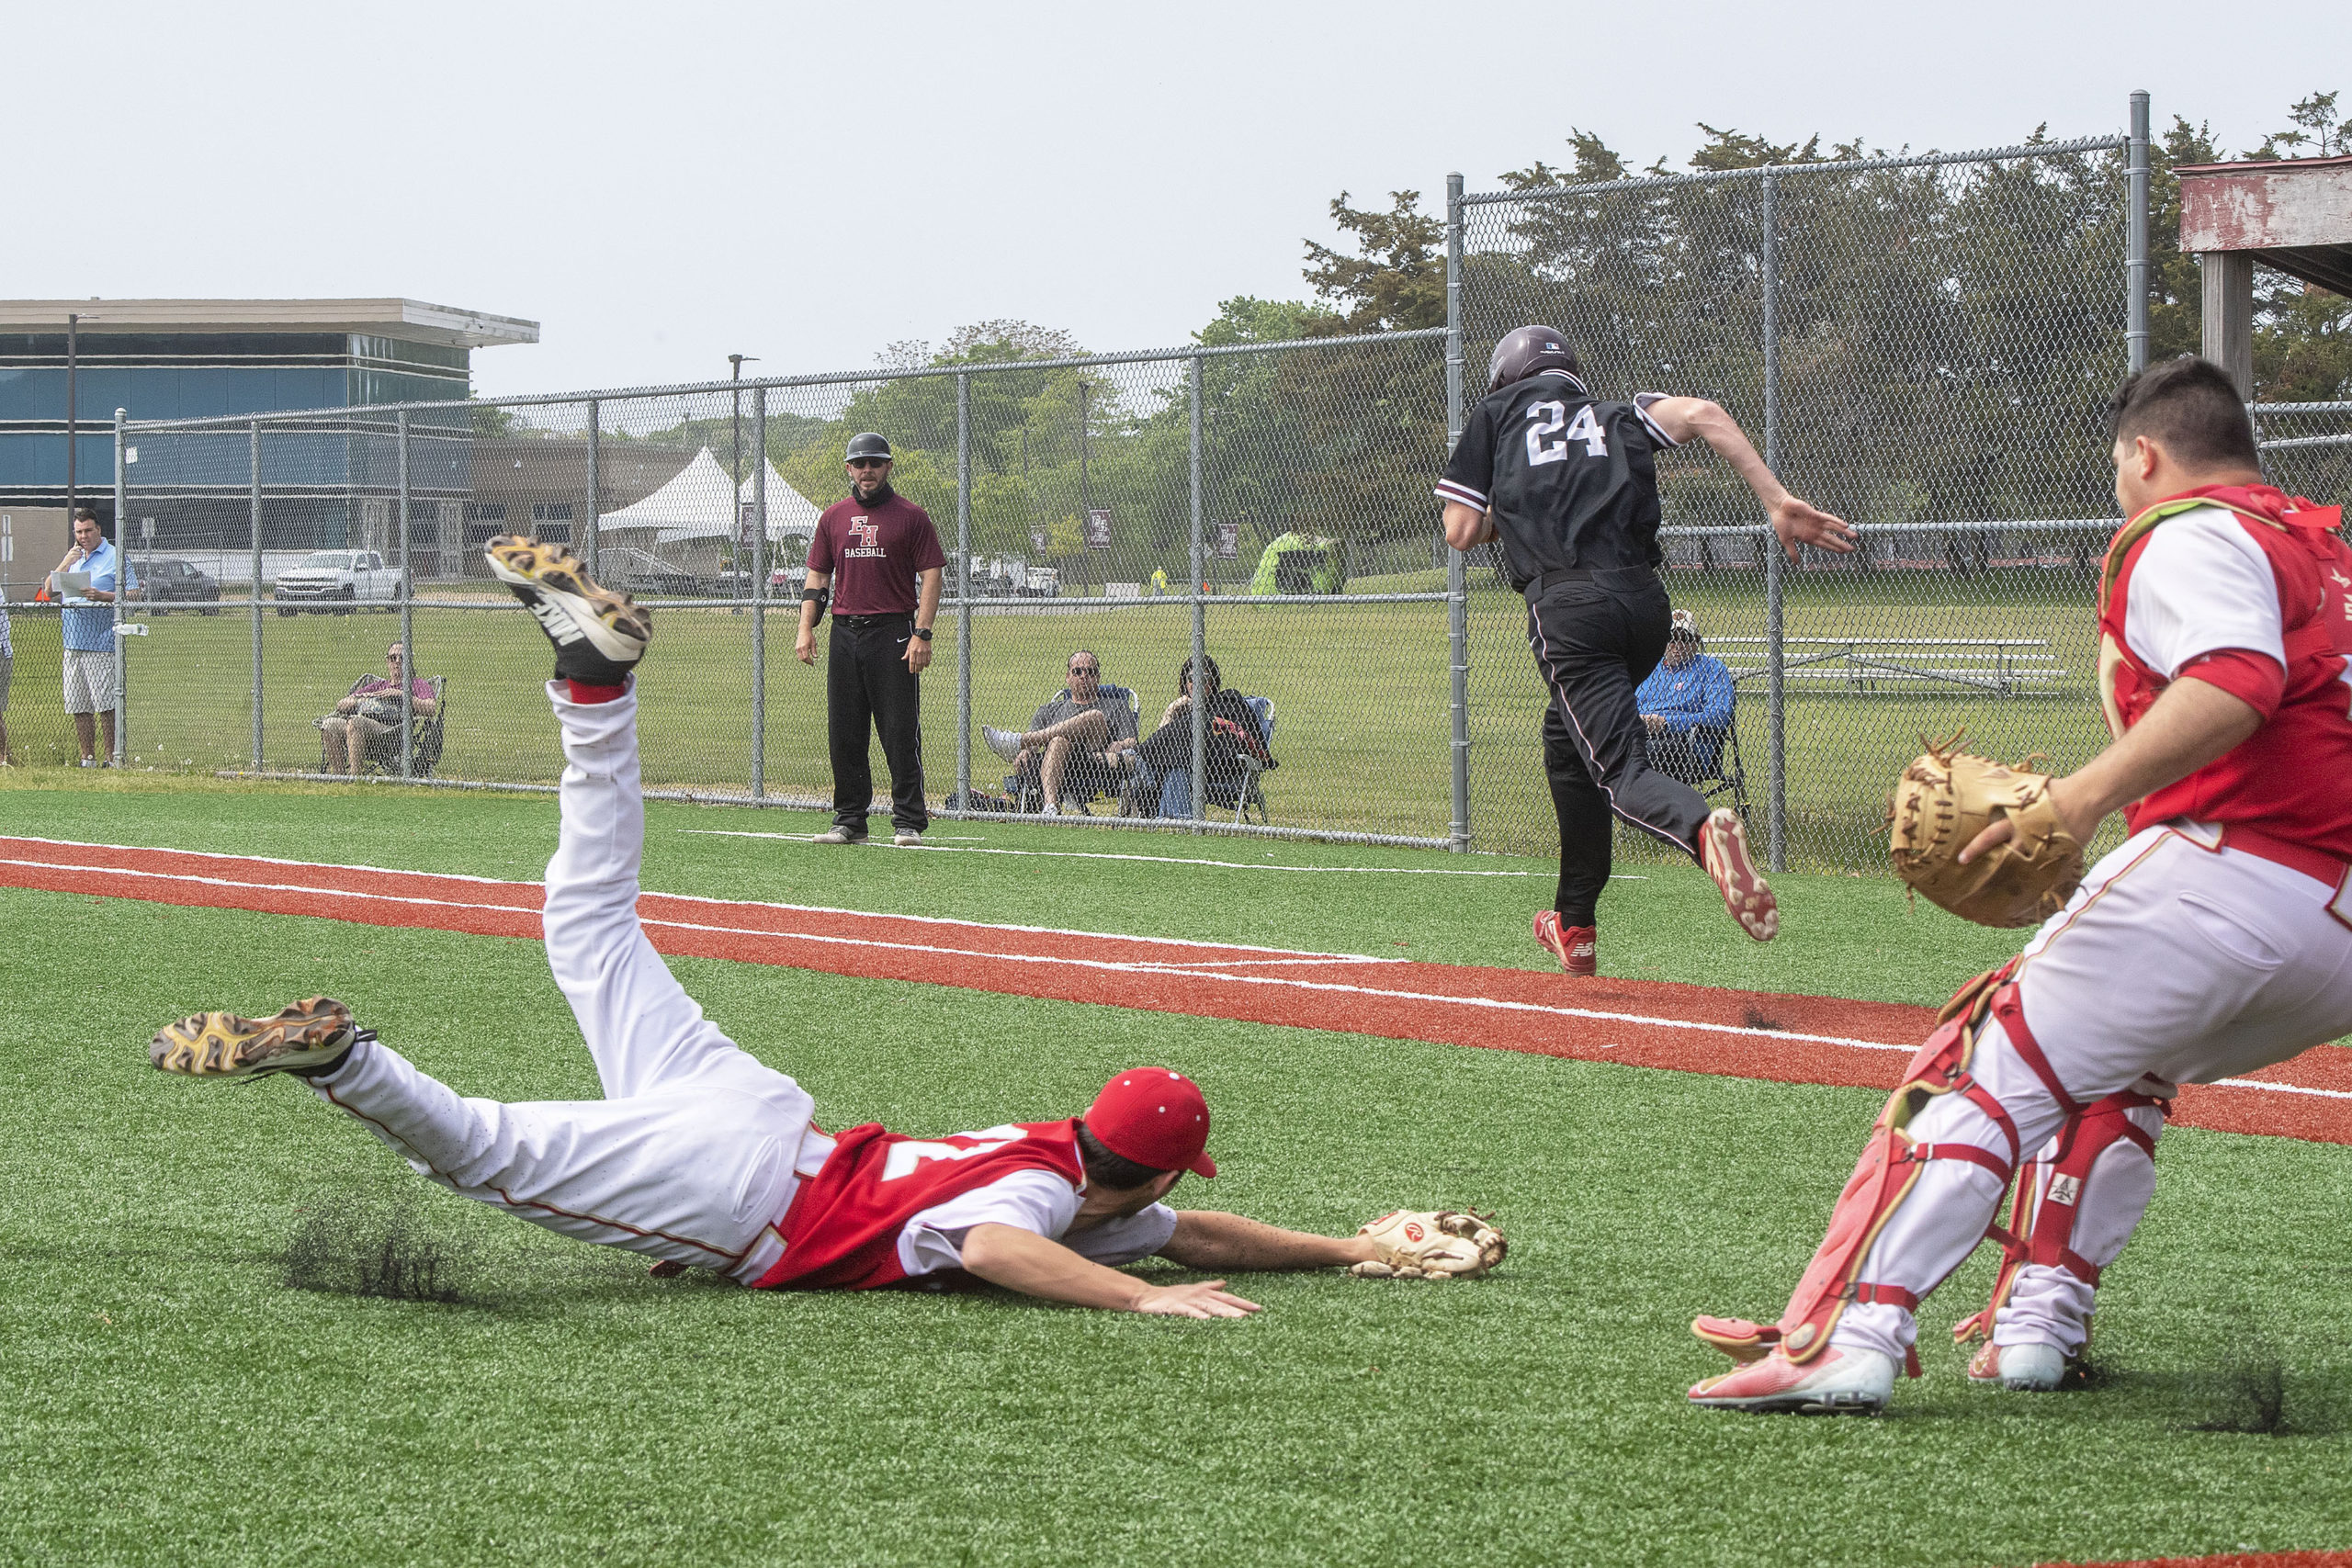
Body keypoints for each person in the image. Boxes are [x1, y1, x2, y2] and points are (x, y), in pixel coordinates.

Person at [149, 535, 1411, 1315]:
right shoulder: (1038, 1195)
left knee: (585, 925)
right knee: (484, 1152)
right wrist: (1141, 1303)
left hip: (760, 1113)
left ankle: (594, 692)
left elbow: (1193, 1231)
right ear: (1136, 1168)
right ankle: (343, 1058)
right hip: (740, 1186)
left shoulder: (1063, 1161)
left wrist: (1350, 1244)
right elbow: (1002, 1244)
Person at [1687, 357, 2352, 1415]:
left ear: (2144, 455)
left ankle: (1848, 1338)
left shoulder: (2184, 530)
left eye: (2118, 471)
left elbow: (2235, 684)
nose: (2120, 490)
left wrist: (2078, 803)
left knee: (1975, 1060)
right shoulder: (2321, 551)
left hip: (2235, 871)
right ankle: (2037, 1326)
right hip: (2333, 936)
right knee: (2117, 1068)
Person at [1435, 326, 1856, 978]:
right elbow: (1703, 414)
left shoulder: (1496, 416)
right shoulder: (1613, 416)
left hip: (1570, 613)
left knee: (1620, 774)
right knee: (1566, 741)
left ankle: (1701, 830)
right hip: (1645, 609)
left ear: (1505, 382)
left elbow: (1462, 530)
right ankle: (1574, 923)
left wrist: (1516, 509)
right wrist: (1776, 499)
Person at [796, 434, 944, 848]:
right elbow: (818, 578)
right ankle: (849, 820)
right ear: (848, 469)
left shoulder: (911, 517)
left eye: (875, 463)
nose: (867, 471)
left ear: (888, 467)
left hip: (893, 631)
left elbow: (932, 574)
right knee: (845, 730)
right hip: (845, 632)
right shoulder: (833, 518)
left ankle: (908, 821)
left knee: (899, 730)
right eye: (859, 464)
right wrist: (806, 627)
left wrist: (922, 632)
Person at [979, 649, 1138, 815]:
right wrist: (1025, 751)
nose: (1084, 676)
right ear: (1068, 677)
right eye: (1077, 671)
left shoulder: (1117, 705)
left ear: (1098, 677)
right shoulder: (1049, 710)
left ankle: (1018, 740)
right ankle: (1051, 807)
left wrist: (1120, 744)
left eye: (1090, 672)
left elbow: (1132, 742)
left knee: (1095, 716)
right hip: (1057, 761)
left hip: (1094, 760)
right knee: (1057, 741)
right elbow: (1033, 749)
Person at [1131, 654, 1273, 818]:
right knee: (1178, 766)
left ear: (1213, 682)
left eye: (1203, 678)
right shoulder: (1182, 710)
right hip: (1184, 764)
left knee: (1191, 728)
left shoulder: (1228, 701)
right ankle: (1179, 821)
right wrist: (1170, 713)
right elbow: (1161, 744)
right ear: (1185, 683)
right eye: (1192, 678)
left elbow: (1235, 738)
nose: (1197, 683)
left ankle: (1135, 759)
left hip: (1222, 766)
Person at [51, 508, 138, 767]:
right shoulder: (74, 558)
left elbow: (134, 595)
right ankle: (87, 757)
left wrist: (104, 596)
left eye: (88, 530)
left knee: (106, 704)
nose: (83, 536)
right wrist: (65, 563)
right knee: (79, 704)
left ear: (99, 529)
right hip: (73, 644)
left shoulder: (115, 557)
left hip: (102, 644)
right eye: (78, 532)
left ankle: (112, 758)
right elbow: (47, 591)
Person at [1634, 611, 1736, 785]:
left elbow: (1719, 716)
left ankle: (1647, 809)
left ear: (1696, 641)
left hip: (1689, 744)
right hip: (1640, 734)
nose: (1678, 645)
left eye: (1685, 638)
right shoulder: (1649, 668)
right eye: (1672, 638)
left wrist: (1666, 723)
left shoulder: (1712, 669)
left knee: (1646, 752)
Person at [318, 643, 439, 775]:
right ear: (387, 661)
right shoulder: (378, 686)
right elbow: (341, 704)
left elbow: (431, 708)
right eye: (393, 658)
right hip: (362, 724)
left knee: (356, 722)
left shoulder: (418, 684)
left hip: (392, 732)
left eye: (402, 658)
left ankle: (355, 778)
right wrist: (363, 698)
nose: (397, 662)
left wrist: (401, 694)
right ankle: (339, 777)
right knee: (329, 724)